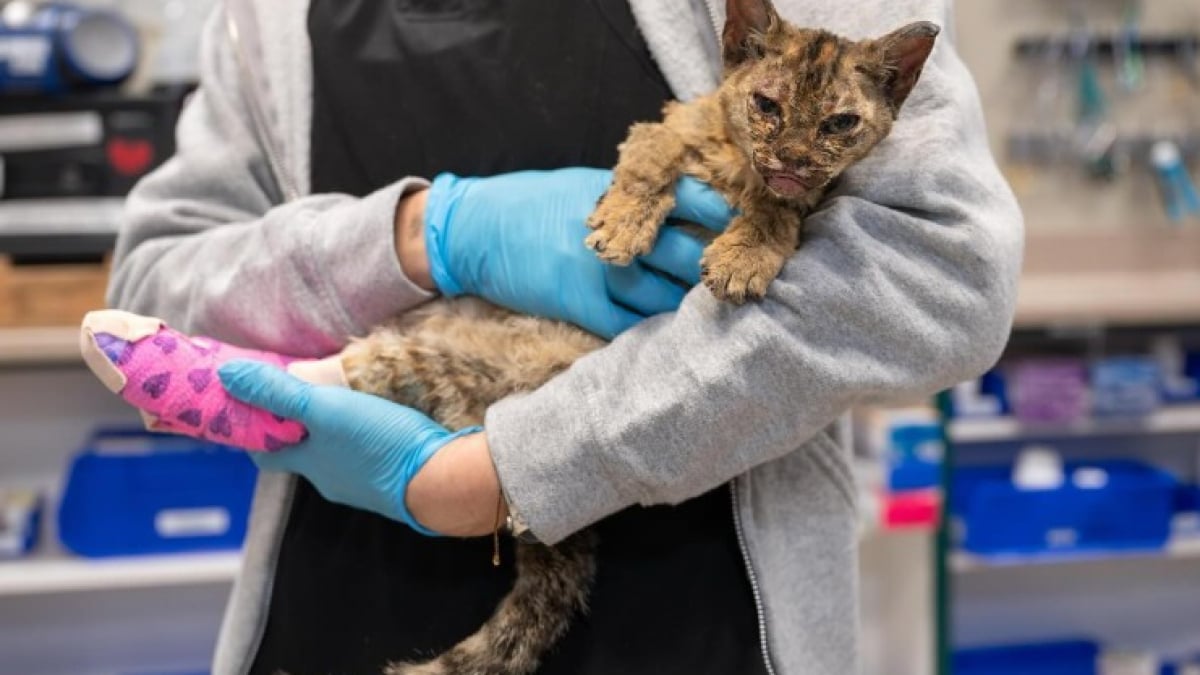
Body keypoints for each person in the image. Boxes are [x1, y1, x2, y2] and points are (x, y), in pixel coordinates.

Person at [105, 0, 1023, 673]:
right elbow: (149, 292)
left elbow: (941, 278)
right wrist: (427, 234)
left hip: (697, 611)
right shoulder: (260, 19)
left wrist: (514, 468)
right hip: (329, 596)